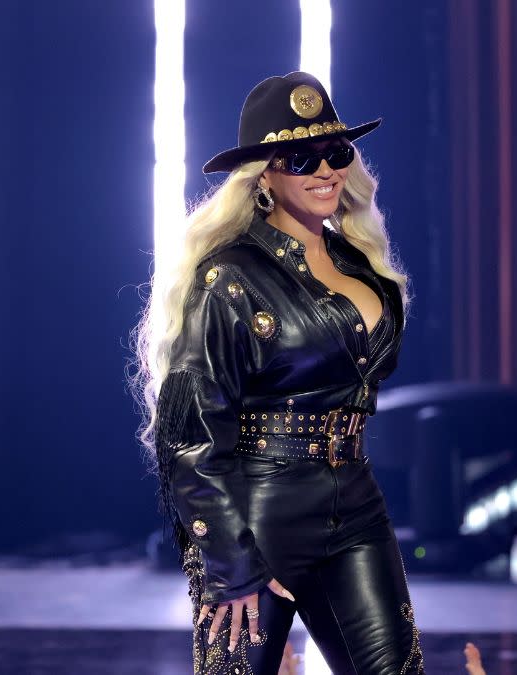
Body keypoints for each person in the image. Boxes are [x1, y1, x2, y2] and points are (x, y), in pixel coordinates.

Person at [132, 71, 424, 674]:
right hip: (257, 514)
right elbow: (190, 432)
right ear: (263, 174)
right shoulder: (230, 277)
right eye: (299, 157)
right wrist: (229, 562)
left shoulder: (361, 266)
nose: (324, 170)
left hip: (356, 505)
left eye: (335, 152)